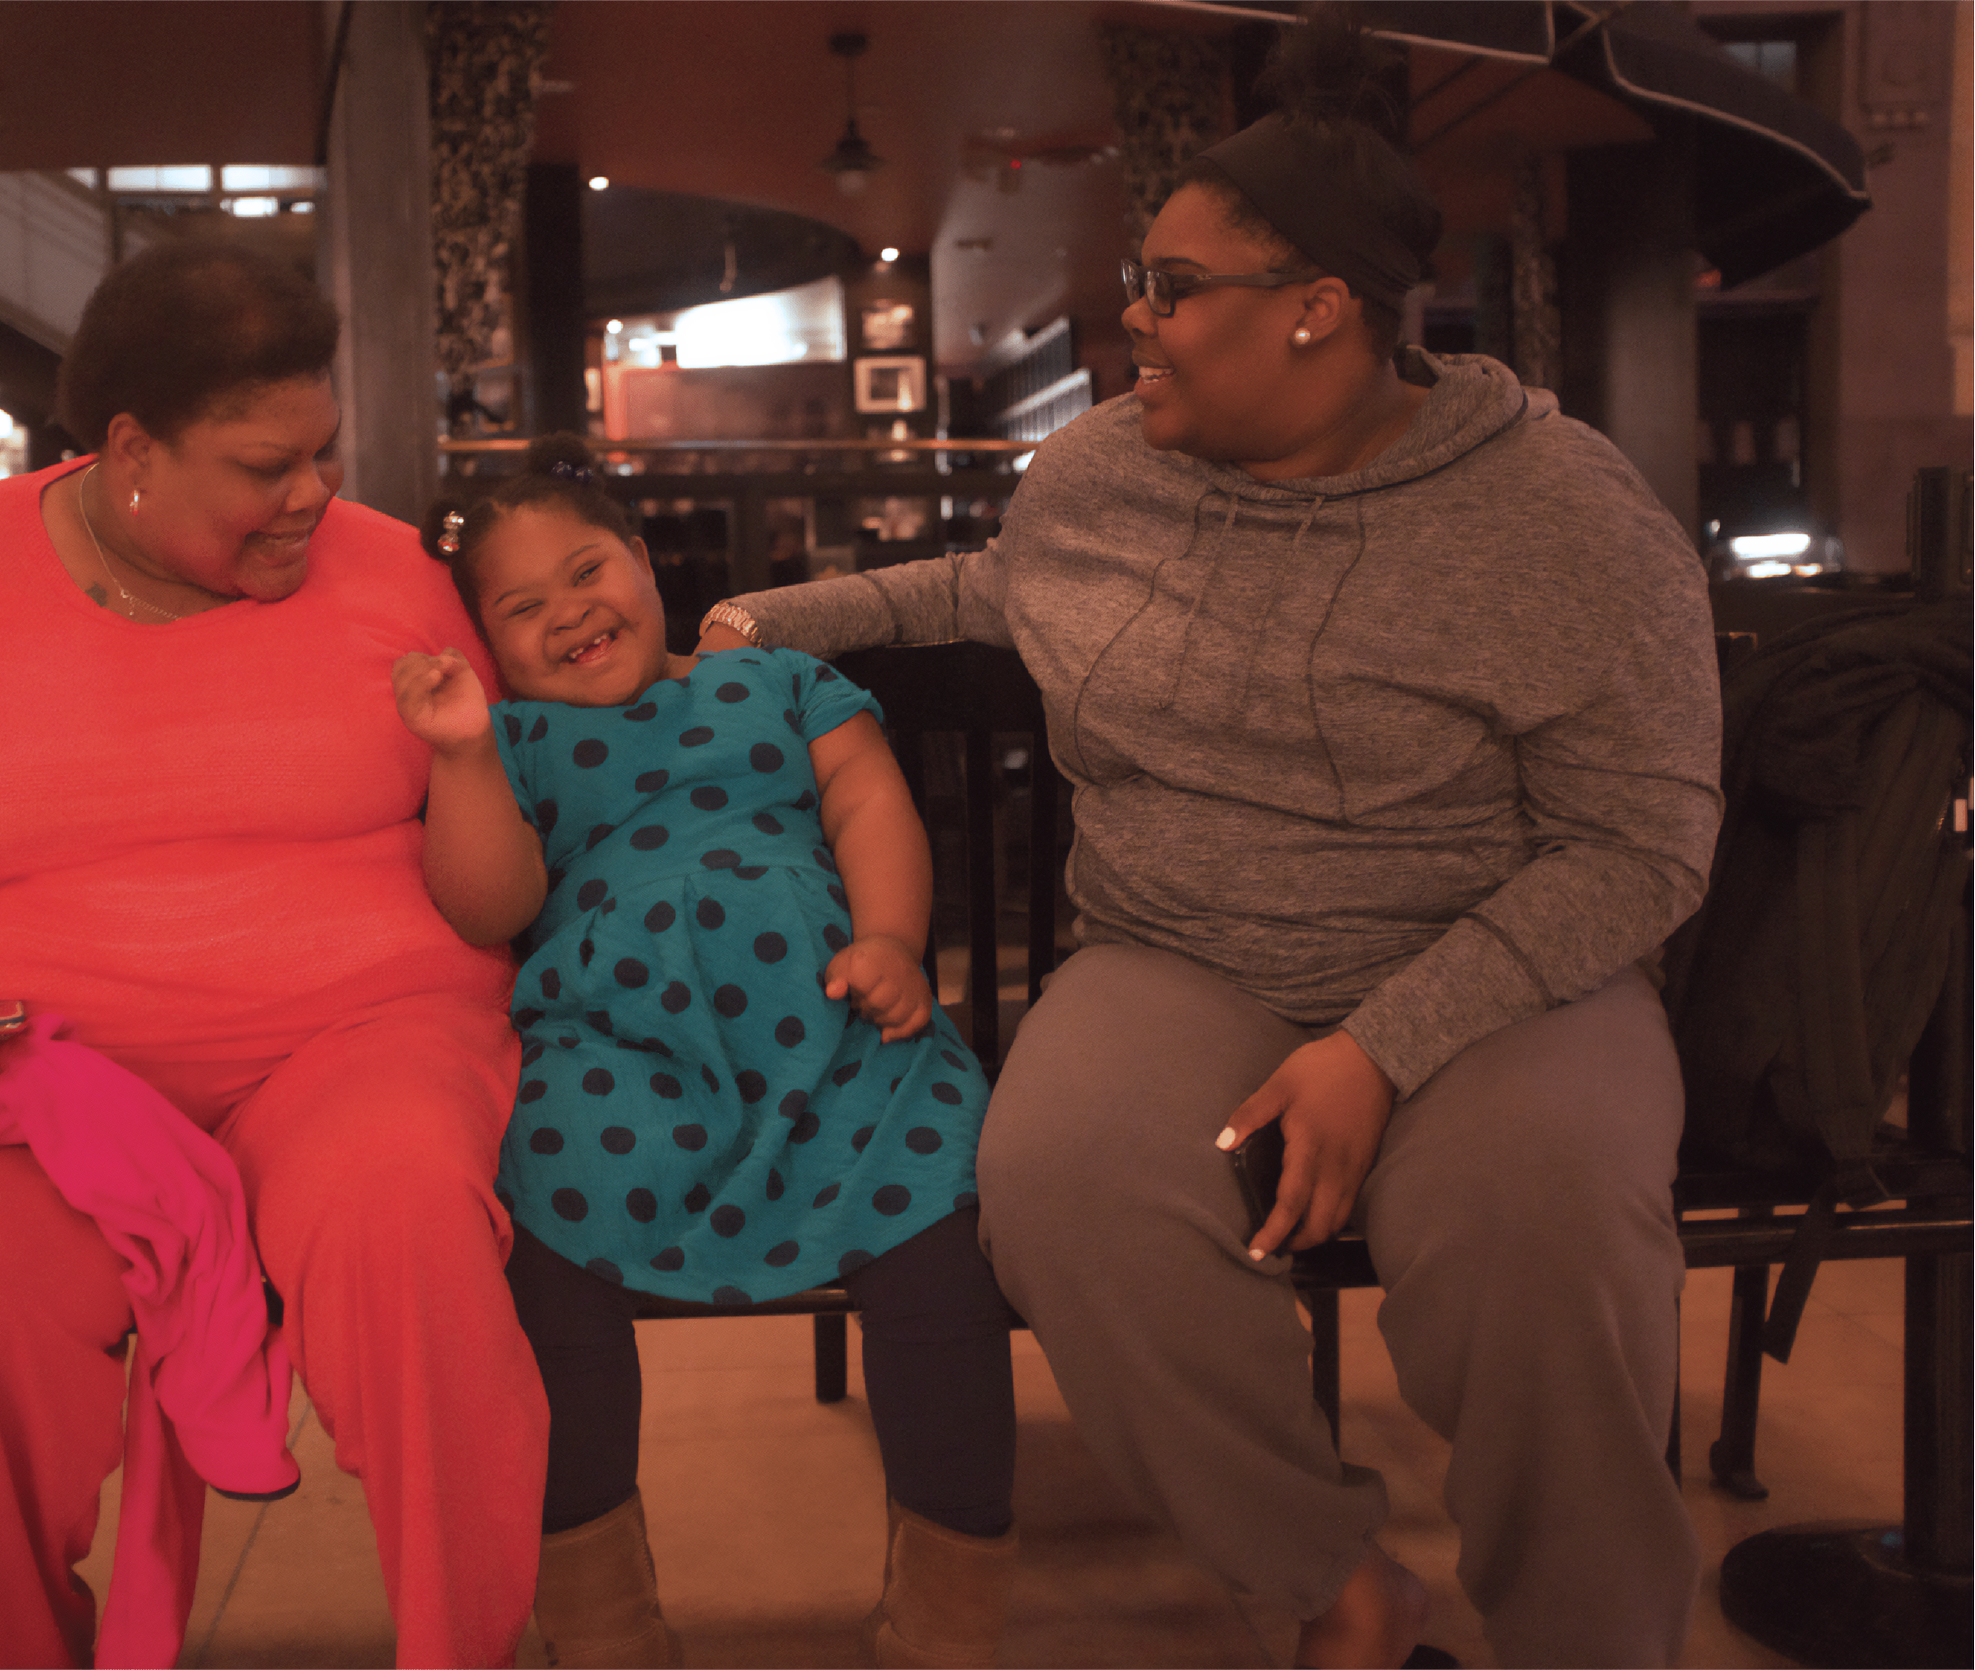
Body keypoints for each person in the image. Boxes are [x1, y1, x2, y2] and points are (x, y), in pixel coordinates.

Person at [697, 15, 1719, 1670]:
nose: (1135, 317)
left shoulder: (1563, 519)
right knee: (1061, 1182)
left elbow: (1642, 845)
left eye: (1172, 289)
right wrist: (766, 621)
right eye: (1139, 282)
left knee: (1542, 1225)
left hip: (1497, 966)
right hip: (1180, 952)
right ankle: (1331, 1582)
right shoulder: (1107, 468)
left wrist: (1381, 1047)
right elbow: (998, 586)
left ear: (1318, 307)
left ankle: (1589, 1640)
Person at [0, 242, 548, 1670]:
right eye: (266, 466)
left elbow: (527, 806)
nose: (314, 493)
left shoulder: (393, 571)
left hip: (352, 1040)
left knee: (406, 1223)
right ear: (131, 449)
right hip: (22, 1079)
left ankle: (471, 1648)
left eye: (323, 450)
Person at [390, 437, 1020, 1669]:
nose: (570, 612)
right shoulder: (512, 738)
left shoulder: (774, 679)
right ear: (487, 644)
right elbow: (489, 905)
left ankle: (947, 1620)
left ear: (643, 561)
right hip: (613, 1053)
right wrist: (460, 753)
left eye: (588, 571)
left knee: (935, 1233)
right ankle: (602, 1625)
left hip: (831, 1022)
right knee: (542, 1234)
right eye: (522, 606)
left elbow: (866, 802)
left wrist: (892, 937)